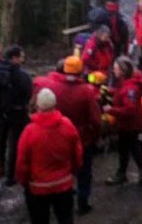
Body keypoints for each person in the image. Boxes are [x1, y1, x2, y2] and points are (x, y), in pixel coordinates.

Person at [16, 88, 82, 224]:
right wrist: (73, 173)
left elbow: (21, 162)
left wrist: (24, 182)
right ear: (55, 105)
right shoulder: (67, 125)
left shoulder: (30, 131)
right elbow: (77, 153)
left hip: (38, 188)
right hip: (63, 184)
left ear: (37, 106)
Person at [37, 56, 102, 215]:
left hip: (59, 136)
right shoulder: (86, 91)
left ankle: (61, 199)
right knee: (84, 171)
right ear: (81, 71)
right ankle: (82, 202)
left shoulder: (54, 88)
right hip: (82, 137)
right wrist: (97, 135)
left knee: (61, 168)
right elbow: (95, 119)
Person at [0, 45, 34, 184]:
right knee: (15, 144)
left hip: (0, 113)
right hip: (17, 113)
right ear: (14, 58)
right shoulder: (22, 75)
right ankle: (11, 175)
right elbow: (27, 93)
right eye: (21, 56)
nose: (23, 59)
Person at [108, 57, 142, 186]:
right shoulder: (127, 84)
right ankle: (136, 173)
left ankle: (124, 173)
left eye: (116, 68)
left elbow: (129, 110)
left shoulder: (130, 88)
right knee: (130, 148)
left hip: (130, 125)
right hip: (130, 124)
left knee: (129, 148)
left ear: (122, 70)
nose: (114, 71)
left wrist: (111, 110)